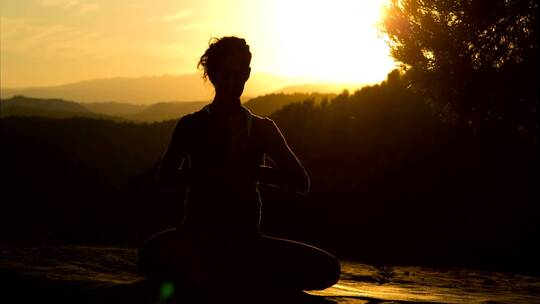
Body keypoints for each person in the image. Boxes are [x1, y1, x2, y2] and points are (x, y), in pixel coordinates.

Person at [138, 36, 340, 293]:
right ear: (212, 76)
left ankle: (221, 276)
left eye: (239, 75)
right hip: (196, 238)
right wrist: (208, 175)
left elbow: (301, 182)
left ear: (247, 74)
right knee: (148, 255)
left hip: (247, 241)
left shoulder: (263, 129)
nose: (233, 84)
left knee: (328, 269)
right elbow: (164, 178)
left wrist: (254, 173)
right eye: (226, 76)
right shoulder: (191, 126)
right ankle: (239, 278)